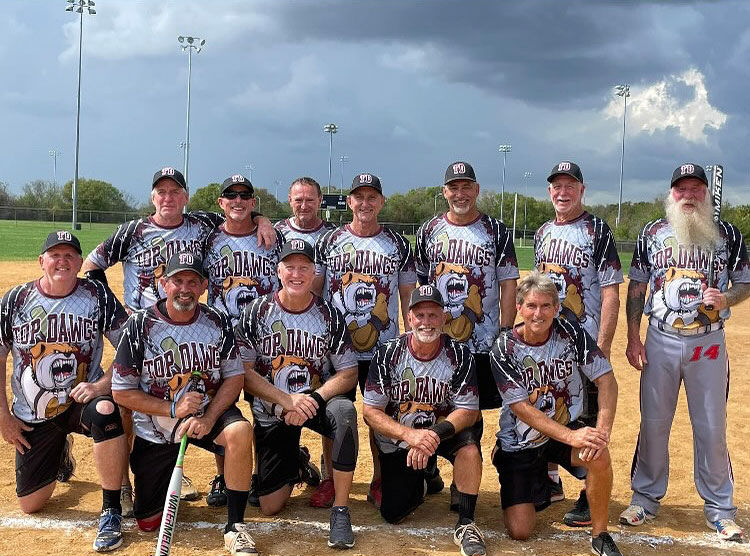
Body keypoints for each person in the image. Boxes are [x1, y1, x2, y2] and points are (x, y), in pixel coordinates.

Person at [81, 166, 275, 507]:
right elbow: (92, 265)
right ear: (152, 197)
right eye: (162, 192)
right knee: (129, 405)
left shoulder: (201, 224)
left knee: (210, 394)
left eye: (175, 192)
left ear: (185, 197)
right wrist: (121, 318)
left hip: (196, 324)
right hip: (145, 333)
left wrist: (263, 220)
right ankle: (124, 484)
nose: (168, 198)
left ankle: (221, 477)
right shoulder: (133, 231)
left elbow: (237, 214)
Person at [622, 163, 750, 542]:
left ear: (706, 193)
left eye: (696, 189)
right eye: (682, 189)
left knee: (711, 427)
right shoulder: (652, 233)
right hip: (660, 338)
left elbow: (744, 283)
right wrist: (633, 337)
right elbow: (637, 286)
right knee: (653, 423)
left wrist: (725, 297)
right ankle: (644, 499)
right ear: (671, 194)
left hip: (708, 343)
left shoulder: (727, 234)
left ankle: (720, 508)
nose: (688, 195)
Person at [111, 251, 257, 555]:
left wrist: (209, 417)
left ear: (203, 286)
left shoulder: (216, 321)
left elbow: (234, 377)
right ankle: (160, 484)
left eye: (193, 281)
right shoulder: (139, 325)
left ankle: (236, 526)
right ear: (165, 284)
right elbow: (122, 392)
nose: (185, 289)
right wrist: (172, 409)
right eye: (178, 281)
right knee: (148, 522)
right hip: (157, 427)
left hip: (205, 414)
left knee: (240, 431)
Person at [0, 231, 130, 552]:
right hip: (34, 411)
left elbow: (130, 346)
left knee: (107, 410)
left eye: (70, 255)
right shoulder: (16, 300)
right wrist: (3, 416)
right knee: (31, 503)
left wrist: (101, 386)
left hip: (82, 399)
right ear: (41, 261)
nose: (63, 261)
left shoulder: (96, 295)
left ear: (79, 262)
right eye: (55, 255)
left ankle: (111, 509)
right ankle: (59, 451)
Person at [237, 239, 359, 549]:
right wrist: (284, 401)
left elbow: (348, 372)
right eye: (289, 267)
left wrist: (315, 399)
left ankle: (341, 510)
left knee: (345, 412)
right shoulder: (256, 312)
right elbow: (244, 372)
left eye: (304, 267)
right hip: (274, 407)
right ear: (278, 271)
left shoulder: (329, 314)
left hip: (315, 402)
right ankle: (298, 461)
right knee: (270, 506)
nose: (296, 274)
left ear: (314, 271)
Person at [490, 271, 622, 556]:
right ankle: (521, 468)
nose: (538, 314)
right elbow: (521, 408)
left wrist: (602, 432)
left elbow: (607, 381)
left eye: (546, 306)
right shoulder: (504, 347)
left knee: (598, 455)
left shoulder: (571, 333)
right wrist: (571, 437)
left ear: (557, 308)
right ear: (519, 307)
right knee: (520, 530)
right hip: (521, 440)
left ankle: (600, 534)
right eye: (531, 306)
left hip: (563, 429)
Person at [415, 161, 519, 501]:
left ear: (476, 190)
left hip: (481, 341)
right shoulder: (429, 230)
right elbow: (420, 285)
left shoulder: (495, 230)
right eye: (453, 187)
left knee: (470, 409)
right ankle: (429, 469)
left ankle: (463, 483)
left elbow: (508, 282)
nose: (460, 194)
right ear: (444, 192)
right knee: (430, 399)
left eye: (466, 187)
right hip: (437, 341)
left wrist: (505, 330)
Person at [314, 173, 416, 508]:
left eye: (372, 197)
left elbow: (407, 295)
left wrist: (409, 338)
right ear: (349, 202)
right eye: (359, 197)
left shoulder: (398, 244)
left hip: (382, 349)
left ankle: (380, 478)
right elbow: (315, 292)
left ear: (381, 202)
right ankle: (330, 478)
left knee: (380, 415)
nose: (365, 203)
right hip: (336, 348)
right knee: (334, 414)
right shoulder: (329, 241)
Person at [363, 285, 487, 556]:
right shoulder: (388, 354)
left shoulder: (459, 354)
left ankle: (466, 522)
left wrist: (431, 435)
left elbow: (468, 411)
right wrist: (410, 436)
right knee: (394, 512)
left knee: (468, 446)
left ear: (444, 318)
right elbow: (371, 412)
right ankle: (425, 474)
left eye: (433, 315)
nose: (426, 322)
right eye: (420, 315)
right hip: (406, 435)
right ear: (409, 318)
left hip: (444, 431)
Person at [535, 161, 623, 526]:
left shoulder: (596, 229)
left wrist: (602, 346)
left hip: (583, 342)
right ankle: (550, 480)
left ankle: (590, 493)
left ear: (582, 190)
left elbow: (610, 292)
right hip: (549, 342)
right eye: (557, 186)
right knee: (549, 405)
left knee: (587, 416)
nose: (563, 192)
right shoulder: (543, 232)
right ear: (550, 191)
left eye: (570, 185)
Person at [203, 174, 298, 508]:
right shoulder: (208, 237)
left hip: (264, 337)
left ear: (254, 202)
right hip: (220, 336)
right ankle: (221, 475)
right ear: (221, 202)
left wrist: (263, 220)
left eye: (245, 196)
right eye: (231, 195)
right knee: (218, 404)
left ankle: (265, 471)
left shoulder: (274, 237)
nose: (238, 201)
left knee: (263, 406)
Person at [274, 176, 337, 508]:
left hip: (319, 330)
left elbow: (319, 285)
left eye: (310, 199)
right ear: (289, 200)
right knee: (275, 400)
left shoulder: (332, 236)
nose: (304, 205)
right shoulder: (274, 232)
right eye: (298, 199)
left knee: (329, 406)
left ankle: (329, 475)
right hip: (279, 331)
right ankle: (290, 461)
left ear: (320, 201)